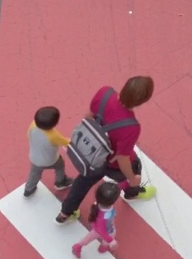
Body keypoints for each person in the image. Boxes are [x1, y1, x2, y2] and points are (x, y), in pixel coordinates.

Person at [55, 76, 157, 225]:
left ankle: (66, 213)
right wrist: (133, 179)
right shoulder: (131, 127)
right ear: (142, 101)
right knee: (135, 166)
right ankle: (132, 193)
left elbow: (88, 117)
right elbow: (122, 159)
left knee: (82, 182)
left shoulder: (104, 93)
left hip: (92, 155)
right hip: (110, 162)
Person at [23, 106, 74, 198]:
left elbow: (28, 135)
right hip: (51, 160)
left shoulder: (33, 125)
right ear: (55, 123)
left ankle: (29, 189)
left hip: (34, 158)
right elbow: (66, 142)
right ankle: (60, 182)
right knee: (60, 166)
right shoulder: (53, 135)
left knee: (34, 174)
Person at [71, 182, 120, 258]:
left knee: (89, 238)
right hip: (107, 228)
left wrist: (127, 182)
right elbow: (101, 230)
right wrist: (111, 241)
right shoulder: (106, 215)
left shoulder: (97, 203)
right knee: (110, 235)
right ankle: (103, 247)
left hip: (96, 226)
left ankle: (78, 246)